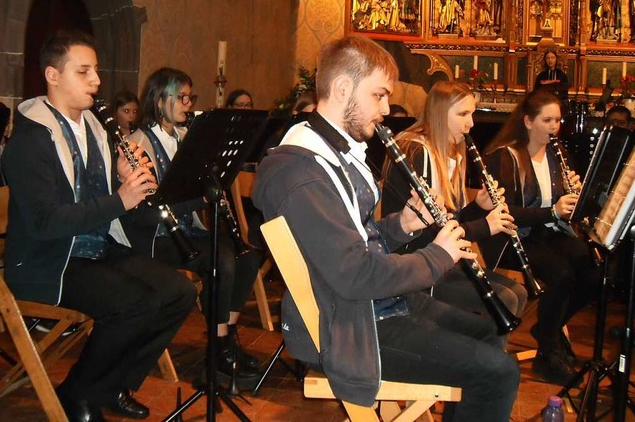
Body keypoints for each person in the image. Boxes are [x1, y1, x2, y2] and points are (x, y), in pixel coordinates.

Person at [252, 35, 519, 422]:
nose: (386, 108)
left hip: (373, 307)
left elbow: (353, 241)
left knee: (490, 328)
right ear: (343, 88)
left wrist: (401, 226)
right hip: (350, 327)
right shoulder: (303, 172)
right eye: (378, 96)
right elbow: (355, 275)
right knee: (499, 373)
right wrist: (438, 255)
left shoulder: (330, 152)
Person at [0, 30, 196, 421]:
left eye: (96, 71)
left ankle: (111, 383)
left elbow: (96, 195)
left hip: (92, 249)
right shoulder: (30, 139)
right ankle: (79, 394)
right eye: (84, 71)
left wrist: (124, 179)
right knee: (134, 303)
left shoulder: (95, 128)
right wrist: (119, 198)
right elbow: (44, 221)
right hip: (46, 261)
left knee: (178, 291)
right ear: (53, 76)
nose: (97, 81)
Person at [122, 67, 262, 384]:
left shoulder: (186, 138)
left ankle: (225, 338)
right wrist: (202, 197)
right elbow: (150, 207)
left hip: (185, 230)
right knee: (220, 257)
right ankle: (220, 347)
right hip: (155, 236)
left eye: (190, 96)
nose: (188, 103)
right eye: (181, 97)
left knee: (247, 256)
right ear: (159, 102)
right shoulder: (137, 142)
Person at [381, 81, 527, 322]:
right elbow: (429, 231)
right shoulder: (417, 152)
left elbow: (451, 221)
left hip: (441, 260)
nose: (470, 123)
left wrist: (478, 207)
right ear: (439, 113)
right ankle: (481, 358)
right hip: (415, 265)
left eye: (471, 113)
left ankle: (485, 354)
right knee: (507, 300)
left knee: (518, 293)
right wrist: (485, 226)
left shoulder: (452, 152)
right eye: (462, 114)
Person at [482, 89, 598, 385]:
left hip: (546, 233)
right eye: (547, 120)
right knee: (560, 273)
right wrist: (553, 211)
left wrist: (576, 195)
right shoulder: (505, 157)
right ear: (528, 121)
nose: (554, 127)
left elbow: (561, 211)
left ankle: (548, 329)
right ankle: (549, 351)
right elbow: (508, 211)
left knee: (592, 269)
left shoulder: (557, 155)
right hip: (512, 237)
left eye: (557, 120)